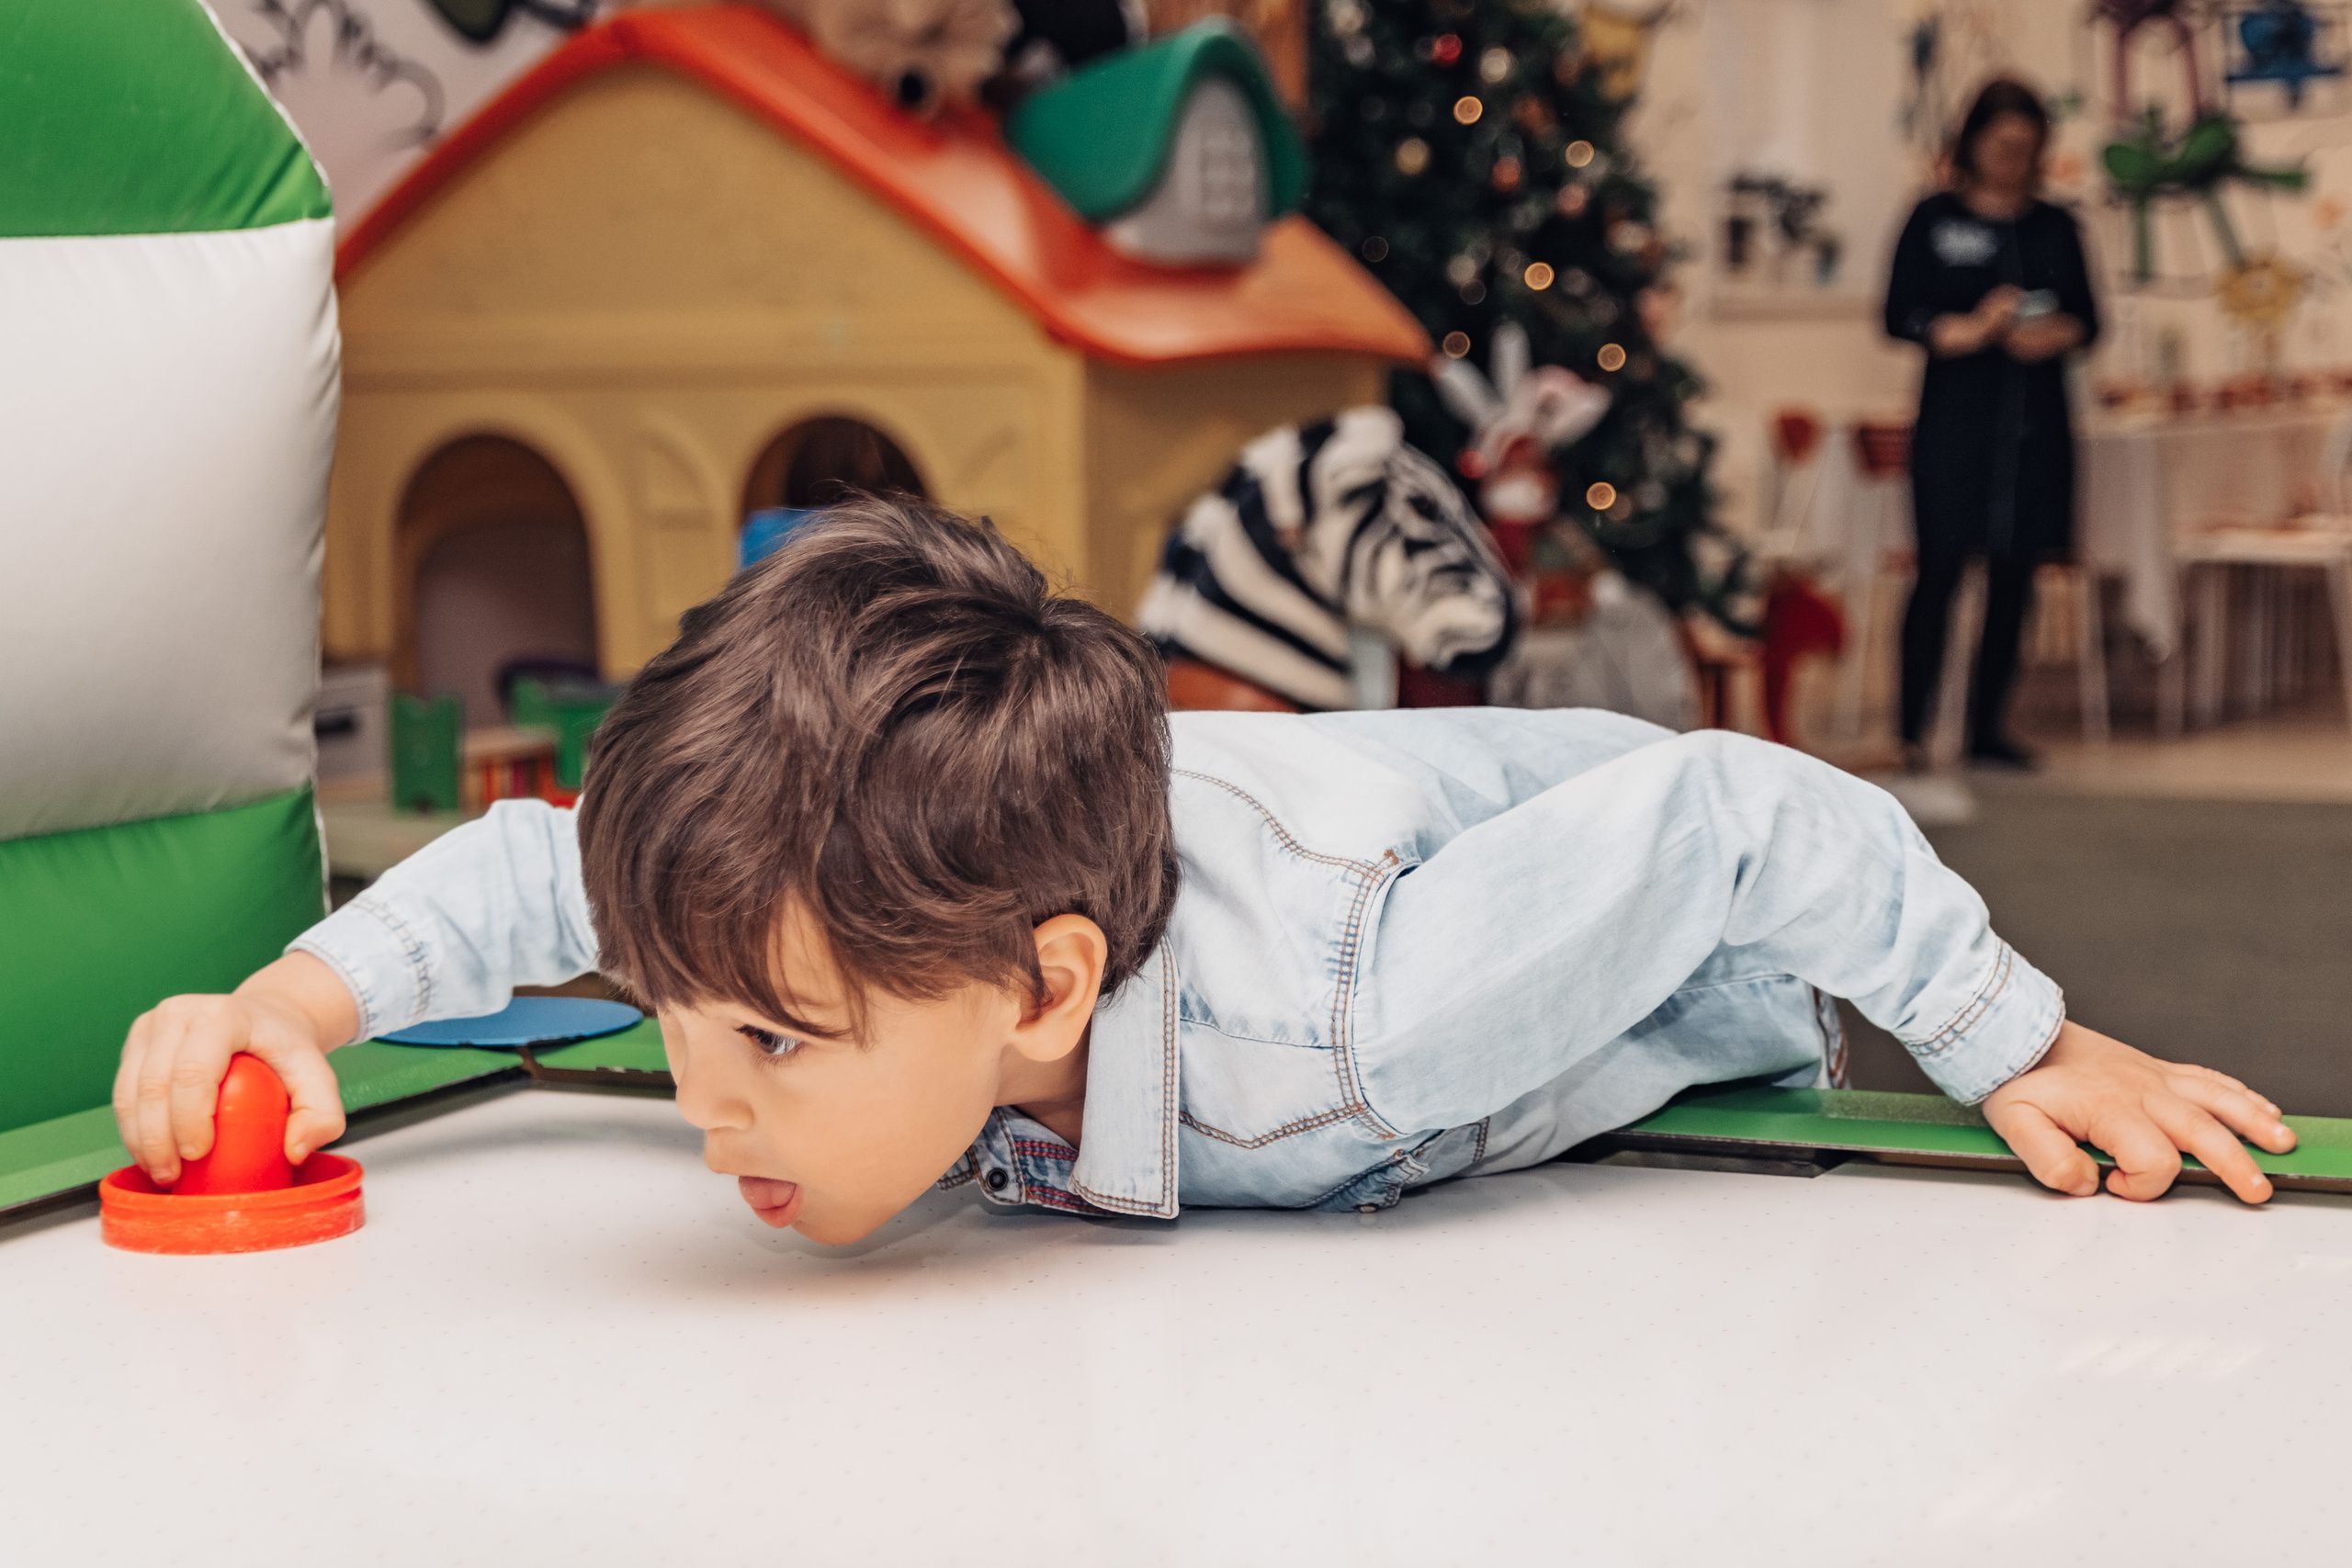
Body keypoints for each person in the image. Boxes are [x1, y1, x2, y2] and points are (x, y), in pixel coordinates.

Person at [114, 498, 2291, 1245]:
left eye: (771, 1036)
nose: (705, 1094)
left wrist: (2017, 1032)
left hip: (1655, 997)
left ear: (1042, 986)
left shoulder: (1356, 1024)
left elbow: (1729, 814)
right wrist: (292, 1009)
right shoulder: (862, 903)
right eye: (688, 1016)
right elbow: (530, 874)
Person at [1884, 78, 2098, 771]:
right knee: (1940, 571)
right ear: (1972, 141)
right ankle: (1911, 728)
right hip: (1955, 425)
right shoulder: (1931, 218)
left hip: (2035, 428)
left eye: (2025, 148)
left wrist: (2055, 334)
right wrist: (1971, 329)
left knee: (2015, 575)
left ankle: (1986, 728)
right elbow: (1897, 315)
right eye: (2001, 145)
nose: (2012, 159)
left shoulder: (2055, 226)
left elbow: (2089, 320)